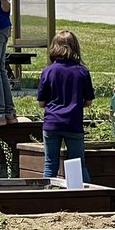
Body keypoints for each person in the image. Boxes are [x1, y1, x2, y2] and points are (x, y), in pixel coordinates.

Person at [37, 30, 94, 182]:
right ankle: (87, 198)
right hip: (73, 124)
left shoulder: (48, 71)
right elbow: (88, 101)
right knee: (78, 165)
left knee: (50, 165)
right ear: (75, 47)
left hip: (51, 124)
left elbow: (42, 103)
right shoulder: (82, 72)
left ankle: (47, 198)